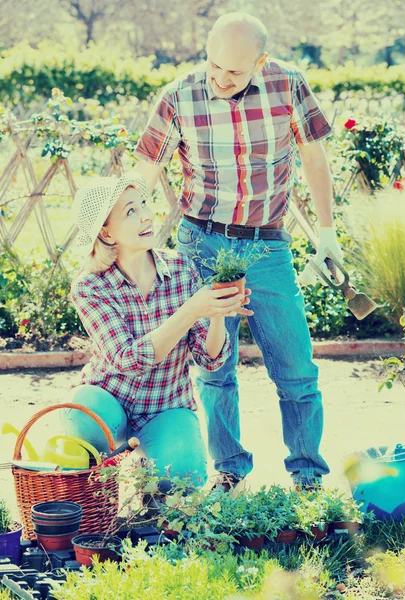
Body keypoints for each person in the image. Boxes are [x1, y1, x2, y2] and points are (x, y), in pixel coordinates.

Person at [132, 12, 343, 490]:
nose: (220, 79)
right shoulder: (180, 94)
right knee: (214, 368)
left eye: (234, 71)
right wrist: (123, 212)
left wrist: (326, 230)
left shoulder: (288, 84)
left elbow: (313, 154)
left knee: (295, 369)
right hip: (201, 242)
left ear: (260, 61)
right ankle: (230, 470)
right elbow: (147, 165)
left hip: (265, 244)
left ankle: (308, 473)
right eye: (214, 66)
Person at [62, 172, 247, 491]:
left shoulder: (180, 269)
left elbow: (209, 358)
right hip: (109, 400)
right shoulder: (90, 286)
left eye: (144, 204)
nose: (146, 215)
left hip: (166, 407)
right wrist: (190, 310)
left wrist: (217, 313)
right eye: (130, 211)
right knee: (81, 421)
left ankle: (151, 474)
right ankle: (94, 492)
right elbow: (127, 359)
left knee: (184, 477)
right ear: (106, 232)